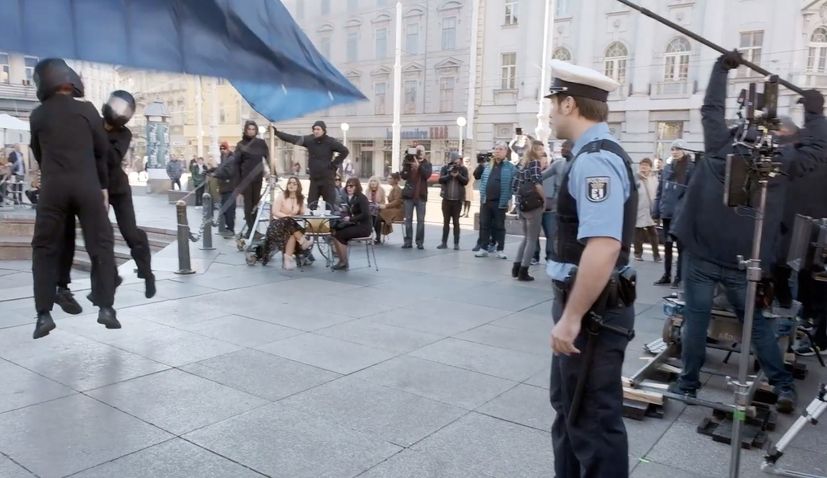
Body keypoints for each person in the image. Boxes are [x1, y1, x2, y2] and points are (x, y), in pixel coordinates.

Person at [667, 51, 827, 413]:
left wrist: (721, 69)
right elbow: (818, 149)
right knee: (756, 327)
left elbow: (710, 108)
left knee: (696, 319)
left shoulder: (720, 146)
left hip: (704, 255)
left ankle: (688, 383)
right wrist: (815, 113)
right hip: (745, 260)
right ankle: (783, 386)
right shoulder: (782, 162)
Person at [544, 60, 637, 478]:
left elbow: (603, 246)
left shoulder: (595, 162)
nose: (548, 113)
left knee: (593, 422)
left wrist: (572, 318)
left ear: (568, 104)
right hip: (590, 309)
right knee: (571, 412)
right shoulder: (589, 156)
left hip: (594, 314)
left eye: (552, 103)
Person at [29, 58, 119, 339]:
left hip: (53, 188)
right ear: (71, 81)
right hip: (87, 185)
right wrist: (102, 186)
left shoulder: (38, 115)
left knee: (44, 247)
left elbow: (38, 152)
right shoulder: (87, 110)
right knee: (100, 244)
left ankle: (43, 314)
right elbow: (101, 150)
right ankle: (106, 308)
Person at [274, 120, 348, 209]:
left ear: (323, 130)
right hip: (314, 180)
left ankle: (329, 223)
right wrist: (277, 133)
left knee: (329, 208)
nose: (316, 131)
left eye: (318, 129)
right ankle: (311, 222)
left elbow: (345, 151)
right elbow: (293, 139)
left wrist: (334, 165)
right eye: (314, 129)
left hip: (327, 180)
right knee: (311, 206)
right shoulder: (310, 140)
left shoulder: (330, 142)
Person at [653, 140, 693, 288]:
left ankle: (679, 277)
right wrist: (656, 209)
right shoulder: (668, 168)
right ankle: (667, 274)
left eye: (678, 149)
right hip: (667, 213)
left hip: (681, 215)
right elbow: (660, 191)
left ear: (684, 150)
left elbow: (691, 193)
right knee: (667, 246)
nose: (675, 151)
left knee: (681, 248)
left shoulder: (690, 168)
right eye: (672, 149)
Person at [534, 140, 574, 264]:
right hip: (557, 205)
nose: (562, 148)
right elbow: (541, 176)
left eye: (565, 146)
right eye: (562, 146)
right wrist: (528, 175)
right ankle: (551, 258)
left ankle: (563, 258)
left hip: (572, 205)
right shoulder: (558, 164)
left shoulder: (580, 163)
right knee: (554, 233)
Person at [259, 176, 312, 270]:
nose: (291, 185)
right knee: (288, 220)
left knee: (291, 234)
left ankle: (287, 261)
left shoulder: (299, 198)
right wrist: (287, 217)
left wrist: (301, 202)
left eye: (294, 183)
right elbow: (275, 211)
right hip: (277, 225)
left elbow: (302, 212)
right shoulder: (282, 195)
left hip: (289, 226)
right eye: (289, 183)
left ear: (298, 186)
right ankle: (303, 241)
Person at [511, 140, 545, 281]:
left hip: (521, 205)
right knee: (532, 239)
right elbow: (537, 183)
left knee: (525, 238)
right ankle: (523, 271)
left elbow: (514, 186)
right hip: (533, 206)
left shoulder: (522, 164)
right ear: (534, 150)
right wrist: (545, 200)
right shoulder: (535, 163)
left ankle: (516, 267)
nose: (542, 152)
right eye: (540, 150)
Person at [474, 142, 514, 259]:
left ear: (506, 152)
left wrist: (511, 199)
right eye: (496, 149)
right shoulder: (488, 165)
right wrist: (481, 163)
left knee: (499, 226)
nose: (497, 151)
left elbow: (515, 183)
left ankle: (500, 249)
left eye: (500, 149)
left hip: (500, 201)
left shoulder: (510, 167)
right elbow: (476, 175)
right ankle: (483, 248)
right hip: (486, 201)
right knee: (484, 224)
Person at [235, 120, 271, 234]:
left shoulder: (261, 143)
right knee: (248, 204)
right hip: (245, 178)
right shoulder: (241, 144)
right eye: (249, 129)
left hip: (257, 177)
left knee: (256, 203)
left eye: (253, 129)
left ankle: (252, 229)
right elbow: (236, 164)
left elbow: (268, 158)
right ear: (245, 130)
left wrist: (273, 172)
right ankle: (251, 230)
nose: (251, 131)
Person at [331, 178, 372, 270]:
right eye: (347, 186)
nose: (348, 188)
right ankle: (342, 260)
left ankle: (343, 262)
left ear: (357, 187)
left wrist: (351, 218)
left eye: (351, 186)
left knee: (340, 234)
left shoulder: (362, 198)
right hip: (356, 225)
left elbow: (365, 214)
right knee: (334, 231)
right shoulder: (352, 198)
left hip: (363, 227)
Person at [400, 149, 432, 249]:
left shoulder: (427, 164)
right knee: (408, 220)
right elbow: (404, 176)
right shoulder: (409, 162)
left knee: (421, 220)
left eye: (422, 151)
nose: (420, 153)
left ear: (425, 153)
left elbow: (426, 175)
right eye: (418, 151)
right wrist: (406, 165)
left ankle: (419, 242)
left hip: (421, 196)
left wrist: (419, 166)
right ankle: (408, 241)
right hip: (409, 196)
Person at [437, 154, 468, 250]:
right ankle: (444, 243)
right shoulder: (445, 168)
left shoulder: (463, 169)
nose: (457, 162)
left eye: (459, 160)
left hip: (457, 201)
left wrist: (458, 175)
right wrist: (449, 175)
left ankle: (456, 243)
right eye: (456, 160)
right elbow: (440, 180)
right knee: (446, 222)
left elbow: (466, 181)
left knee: (456, 222)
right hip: (446, 199)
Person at [634, 157, 661, 262]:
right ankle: (638, 254)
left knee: (653, 234)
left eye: (646, 166)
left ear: (650, 168)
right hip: (639, 209)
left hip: (651, 210)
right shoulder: (635, 178)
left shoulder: (653, 178)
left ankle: (656, 255)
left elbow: (657, 193)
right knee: (638, 234)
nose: (643, 167)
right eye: (642, 165)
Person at [213, 144, 238, 235]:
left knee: (229, 210)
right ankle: (228, 228)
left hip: (230, 188)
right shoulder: (224, 159)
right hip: (225, 188)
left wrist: (216, 174)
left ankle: (231, 229)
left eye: (224, 149)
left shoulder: (231, 159)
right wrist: (211, 171)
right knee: (225, 209)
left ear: (228, 149)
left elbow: (228, 172)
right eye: (221, 149)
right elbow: (220, 169)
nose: (222, 150)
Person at [378, 172, 404, 238]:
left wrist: (385, 206)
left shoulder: (397, 189)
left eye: (390, 178)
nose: (388, 179)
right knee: (377, 213)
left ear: (395, 180)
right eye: (388, 178)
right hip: (393, 210)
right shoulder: (393, 188)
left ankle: (378, 237)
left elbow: (397, 201)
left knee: (378, 215)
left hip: (397, 212)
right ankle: (378, 236)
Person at [366, 176, 386, 244]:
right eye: (371, 181)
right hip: (370, 210)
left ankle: (378, 237)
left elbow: (383, 202)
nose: (373, 182)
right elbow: (366, 201)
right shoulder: (367, 190)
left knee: (377, 218)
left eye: (374, 181)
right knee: (369, 217)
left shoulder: (381, 190)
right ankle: (370, 236)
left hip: (379, 210)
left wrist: (378, 205)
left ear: (377, 183)